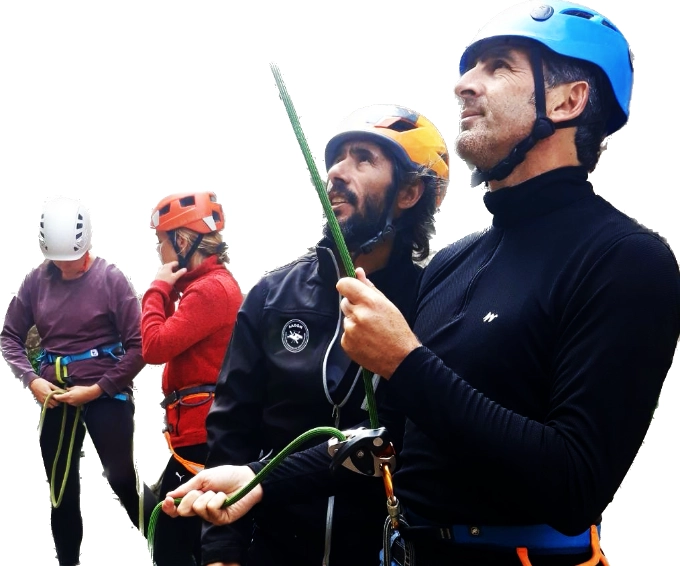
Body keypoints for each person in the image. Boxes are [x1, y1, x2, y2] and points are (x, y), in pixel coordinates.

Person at [162, 2, 680, 565]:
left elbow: (574, 483)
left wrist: (405, 363)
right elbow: (394, 440)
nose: (464, 85)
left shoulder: (626, 259)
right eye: (468, 68)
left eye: (498, 66)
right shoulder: (454, 265)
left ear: (568, 100)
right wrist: (261, 478)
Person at [198, 103, 449, 566]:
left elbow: (420, 440)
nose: (336, 172)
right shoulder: (272, 296)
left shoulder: (433, 303)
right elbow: (229, 434)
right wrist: (221, 553)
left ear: (410, 192)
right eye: (336, 158)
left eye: (363, 158)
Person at [1, 196, 156, 566]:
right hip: (55, 395)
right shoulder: (37, 282)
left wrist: (100, 388)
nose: (67, 268)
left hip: (104, 393)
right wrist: (32, 380)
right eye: (58, 261)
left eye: (74, 259)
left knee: (123, 481)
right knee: (61, 493)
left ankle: (174, 552)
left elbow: (139, 347)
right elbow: (10, 336)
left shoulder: (111, 279)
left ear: (86, 246)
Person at [143, 191, 243, 566]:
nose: (159, 253)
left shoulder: (209, 291)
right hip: (196, 437)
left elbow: (153, 346)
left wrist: (157, 288)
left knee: (174, 539)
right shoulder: (205, 287)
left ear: (182, 242)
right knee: (176, 535)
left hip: (203, 440)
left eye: (161, 243)